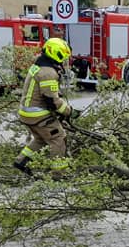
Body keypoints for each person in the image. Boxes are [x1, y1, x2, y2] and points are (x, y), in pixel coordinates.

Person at [12, 37, 80, 176]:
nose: (64, 61)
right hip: (37, 114)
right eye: (63, 57)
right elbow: (52, 101)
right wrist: (69, 112)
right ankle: (58, 174)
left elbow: (47, 93)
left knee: (40, 139)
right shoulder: (48, 73)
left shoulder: (38, 66)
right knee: (58, 138)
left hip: (26, 112)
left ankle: (21, 161)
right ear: (56, 54)